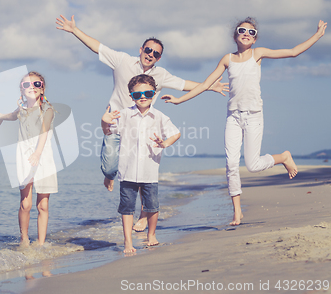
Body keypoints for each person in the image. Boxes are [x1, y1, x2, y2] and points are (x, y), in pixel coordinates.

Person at [56, 14, 228, 232]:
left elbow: (184, 84)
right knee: (109, 166)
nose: (151, 55)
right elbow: (98, 47)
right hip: (117, 124)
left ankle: (144, 215)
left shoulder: (161, 75)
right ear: (141, 49)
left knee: (142, 175)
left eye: (156, 53)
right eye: (148, 50)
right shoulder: (122, 60)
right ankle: (110, 176)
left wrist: (210, 86)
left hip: (144, 128)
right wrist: (75, 30)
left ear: (159, 58)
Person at [162, 18, 327, 226]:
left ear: (255, 38)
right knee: (231, 164)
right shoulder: (227, 59)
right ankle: (237, 212)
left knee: (253, 165)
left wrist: (318, 35)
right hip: (233, 117)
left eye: (252, 31)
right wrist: (179, 100)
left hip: (253, 116)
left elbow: (293, 52)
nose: (247, 33)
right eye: (242, 30)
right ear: (235, 35)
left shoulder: (257, 54)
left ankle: (284, 157)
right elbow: (205, 84)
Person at [102, 74, 180, 253]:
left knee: (152, 206)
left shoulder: (159, 116)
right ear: (131, 96)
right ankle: (128, 242)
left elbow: (175, 133)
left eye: (147, 93)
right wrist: (103, 121)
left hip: (149, 171)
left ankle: (151, 235)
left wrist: (165, 143)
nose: (142, 97)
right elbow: (108, 131)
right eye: (137, 95)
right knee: (127, 209)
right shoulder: (124, 114)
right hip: (127, 171)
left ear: (153, 94)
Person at [0, 71, 57, 246]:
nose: (32, 87)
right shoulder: (22, 109)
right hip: (24, 157)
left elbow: (44, 132)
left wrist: (38, 153)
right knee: (26, 204)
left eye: (36, 84)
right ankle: (24, 239)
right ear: (22, 90)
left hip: (43, 157)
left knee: (43, 205)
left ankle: (40, 243)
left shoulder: (48, 109)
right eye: (27, 85)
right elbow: (12, 115)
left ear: (42, 88)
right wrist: (1, 117)